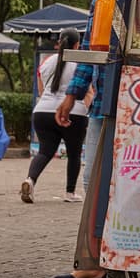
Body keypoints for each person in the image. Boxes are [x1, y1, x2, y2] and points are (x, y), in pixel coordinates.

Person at [53, 0, 126, 278]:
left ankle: (110, 259)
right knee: (92, 179)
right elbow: (88, 55)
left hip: (132, 105)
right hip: (100, 106)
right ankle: (94, 260)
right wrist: (70, 96)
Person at [21, 28, 90, 204]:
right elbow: (88, 91)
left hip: (43, 111)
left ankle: (30, 180)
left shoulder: (46, 62)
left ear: (58, 42)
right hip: (74, 112)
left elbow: (42, 89)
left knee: (45, 151)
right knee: (74, 153)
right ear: (77, 45)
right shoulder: (81, 64)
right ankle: (70, 193)